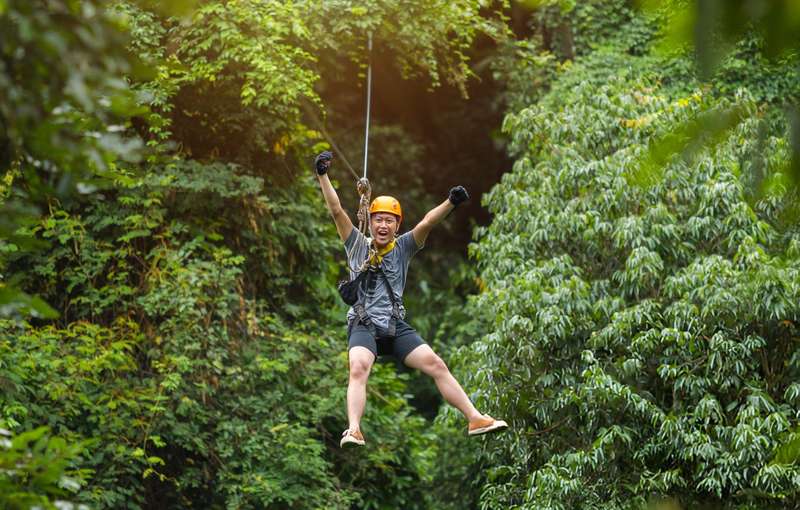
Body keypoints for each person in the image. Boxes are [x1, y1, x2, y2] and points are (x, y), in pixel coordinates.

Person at [313, 150, 508, 448]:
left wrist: (451, 202)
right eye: (378, 220)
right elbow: (336, 210)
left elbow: (427, 223)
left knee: (436, 364)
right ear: (370, 221)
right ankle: (353, 429)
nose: (382, 225)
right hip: (364, 324)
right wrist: (322, 175)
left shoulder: (403, 247)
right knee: (358, 367)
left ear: (397, 225)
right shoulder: (356, 244)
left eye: (389, 221)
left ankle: (475, 418)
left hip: (394, 326)